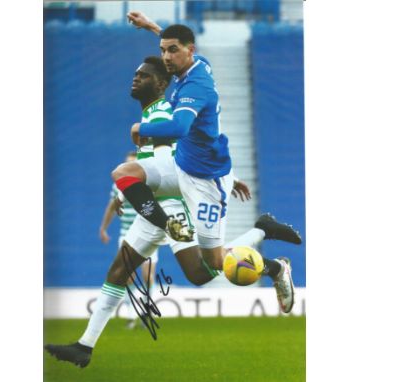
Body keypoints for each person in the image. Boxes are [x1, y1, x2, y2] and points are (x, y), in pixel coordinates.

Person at [45, 56, 301, 368]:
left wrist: (218, 177)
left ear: (162, 84)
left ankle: (267, 247)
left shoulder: (165, 110)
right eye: (135, 73)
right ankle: (84, 346)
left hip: (173, 205)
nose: (136, 78)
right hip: (154, 207)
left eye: (144, 75)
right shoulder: (152, 111)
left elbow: (183, 148)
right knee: (120, 270)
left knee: (202, 272)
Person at [118, 13, 300, 309]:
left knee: (213, 264)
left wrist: (141, 128)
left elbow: (179, 128)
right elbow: (176, 42)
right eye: (163, 49)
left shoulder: (195, 87)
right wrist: (152, 27)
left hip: (205, 182)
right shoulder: (198, 63)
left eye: (172, 50)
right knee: (128, 174)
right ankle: (263, 229)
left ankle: (276, 266)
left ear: (190, 51)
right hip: (186, 168)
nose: (165, 56)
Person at [99, 151, 157, 329]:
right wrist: (103, 228)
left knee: (148, 276)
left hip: (148, 233)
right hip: (126, 235)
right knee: (129, 276)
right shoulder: (119, 186)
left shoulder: (149, 183)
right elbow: (112, 207)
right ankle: (131, 316)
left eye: (132, 164)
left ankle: (146, 313)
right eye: (127, 164)